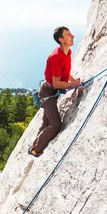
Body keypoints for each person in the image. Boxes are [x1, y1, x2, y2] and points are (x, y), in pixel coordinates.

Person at [28, 26, 81, 157]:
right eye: (68, 34)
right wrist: (72, 85)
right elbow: (57, 83)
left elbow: (65, 72)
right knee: (55, 124)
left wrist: (74, 82)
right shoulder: (56, 56)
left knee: (46, 123)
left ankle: (34, 144)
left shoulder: (67, 53)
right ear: (61, 40)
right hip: (47, 94)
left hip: (52, 92)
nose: (72, 36)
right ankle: (36, 149)